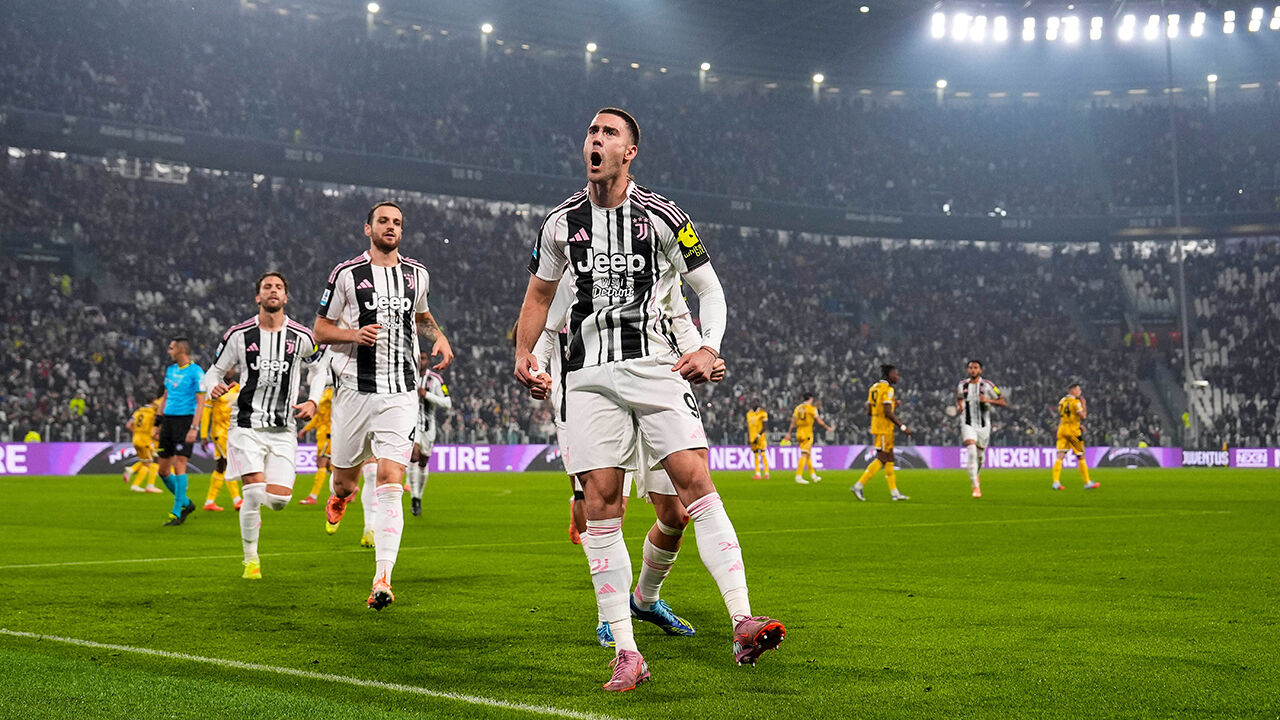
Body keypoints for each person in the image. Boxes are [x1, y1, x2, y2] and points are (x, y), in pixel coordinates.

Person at [515, 107, 784, 692]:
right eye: (591, 130)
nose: (596, 139)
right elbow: (538, 296)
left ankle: (741, 618)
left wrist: (708, 348)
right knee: (601, 502)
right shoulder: (560, 224)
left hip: (656, 367)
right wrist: (523, 352)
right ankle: (627, 651)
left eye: (609, 133)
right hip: (585, 377)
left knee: (693, 485)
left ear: (629, 151)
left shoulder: (665, 219)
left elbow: (707, 290)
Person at [531, 273, 725, 649]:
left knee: (676, 515)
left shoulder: (652, 259)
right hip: (591, 395)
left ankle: (645, 600)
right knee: (607, 506)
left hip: (655, 383)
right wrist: (537, 367)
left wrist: (706, 353)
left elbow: (679, 315)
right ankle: (609, 615)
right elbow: (546, 324)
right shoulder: (572, 262)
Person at [314, 200, 454, 610]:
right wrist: (354, 335)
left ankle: (382, 577)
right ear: (367, 228)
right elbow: (321, 330)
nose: (390, 227)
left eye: (397, 223)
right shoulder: (346, 274)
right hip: (354, 393)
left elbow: (423, 319)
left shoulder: (417, 275)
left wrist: (439, 338)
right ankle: (339, 497)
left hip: (400, 392)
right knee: (345, 482)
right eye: (383, 221)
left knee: (392, 477)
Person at [203, 271, 322, 579]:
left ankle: (254, 518)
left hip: (283, 428)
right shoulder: (238, 335)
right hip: (246, 424)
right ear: (258, 297)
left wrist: (314, 401)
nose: (273, 290)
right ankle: (251, 559)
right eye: (267, 287)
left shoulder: (302, 337)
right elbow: (213, 372)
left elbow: (321, 368)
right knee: (254, 493)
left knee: (280, 500)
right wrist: (213, 387)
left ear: (286, 297)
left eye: (279, 287)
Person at [155, 337, 207, 526]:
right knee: (162, 470)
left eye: (171, 348)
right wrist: (157, 423)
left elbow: (201, 402)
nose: (169, 351)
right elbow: (166, 397)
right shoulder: (170, 370)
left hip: (185, 421)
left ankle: (177, 511)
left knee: (180, 463)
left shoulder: (196, 372)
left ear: (181, 350)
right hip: (168, 421)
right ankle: (186, 503)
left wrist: (194, 428)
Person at [851, 365, 912, 502]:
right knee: (882, 459)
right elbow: (887, 412)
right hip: (884, 429)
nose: (897, 377)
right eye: (895, 374)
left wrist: (892, 405)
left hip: (878, 427)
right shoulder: (888, 390)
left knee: (890, 458)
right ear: (889, 374)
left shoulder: (873, 388)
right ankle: (858, 485)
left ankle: (894, 493)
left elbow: (869, 411)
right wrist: (902, 427)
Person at [955, 359, 1008, 499]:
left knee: (979, 457)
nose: (973, 370)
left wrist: (988, 400)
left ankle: (975, 476)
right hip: (967, 423)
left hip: (984, 425)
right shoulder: (962, 385)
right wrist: (959, 406)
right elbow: (959, 397)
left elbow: (1003, 401)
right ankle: (975, 487)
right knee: (971, 452)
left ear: (980, 370)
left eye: (975, 368)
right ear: (968, 370)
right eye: (970, 368)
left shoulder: (989, 385)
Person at [409, 350, 451, 517]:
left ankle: (419, 497)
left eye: (424, 358)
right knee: (414, 456)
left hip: (428, 426)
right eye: (419, 358)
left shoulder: (435, 380)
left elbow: (447, 403)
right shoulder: (406, 375)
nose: (421, 360)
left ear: (428, 361)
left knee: (423, 463)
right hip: (411, 425)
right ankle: (413, 497)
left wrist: (427, 395)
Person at [200, 368, 243, 511]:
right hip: (219, 433)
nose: (230, 370)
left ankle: (209, 502)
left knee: (220, 466)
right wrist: (203, 435)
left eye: (232, 367)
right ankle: (237, 499)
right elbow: (206, 412)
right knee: (230, 463)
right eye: (228, 367)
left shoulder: (237, 388)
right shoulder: (214, 388)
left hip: (232, 431)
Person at [298, 353, 335, 506]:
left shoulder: (332, 394)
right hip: (322, 432)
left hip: (328, 433)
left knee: (321, 463)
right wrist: (306, 429)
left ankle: (313, 496)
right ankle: (348, 489)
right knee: (329, 465)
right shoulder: (324, 394)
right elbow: (319, 416)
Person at [1053, 383, 1100, 491]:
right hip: (1073, 432)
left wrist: (1078, 424)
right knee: (1081, 456)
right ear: (1072, 390)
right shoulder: (1076, 402)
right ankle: (1087, 482)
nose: (1080, 392)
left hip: (1062, 429)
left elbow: (1065, 415)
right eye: (1078, 390)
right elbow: (1083, 416)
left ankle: (1056, 482)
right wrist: (1084, 405)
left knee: (1060, 457)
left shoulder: (1062, 401)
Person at [783, 392, 834, 484]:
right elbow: (819, 421)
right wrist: (828, 428)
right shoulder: (812, 409)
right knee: (804, 455)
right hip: (807, 434)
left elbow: (793, 422)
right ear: (810, 398)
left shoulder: (797, 408)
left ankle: (813, 476)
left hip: (799, 433)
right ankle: (798, 476)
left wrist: (789, 433)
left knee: (808, 456)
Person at [123, 389, 163, 493]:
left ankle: (133, 475)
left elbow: (128, 425)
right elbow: (157, 424)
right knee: (151, 463)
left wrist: (137, 432)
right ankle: (149, 486)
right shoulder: (153, 411)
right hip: (145, 440)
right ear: (153, 401)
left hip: (136, 439)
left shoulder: (138, 411)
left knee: (145, 462)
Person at [746, 401, 770, 479]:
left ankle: (766, 473)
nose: (753, 405)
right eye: (752, 403)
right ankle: (758, 473)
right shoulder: (749, 414)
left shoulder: (763, 413)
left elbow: (765, 426)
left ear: (758, 404)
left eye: (754, 403)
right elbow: (749, 426)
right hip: (752, 438)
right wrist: (750, 437)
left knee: (763, 454)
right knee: (756, 455)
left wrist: (758, 435)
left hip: (761, 437)